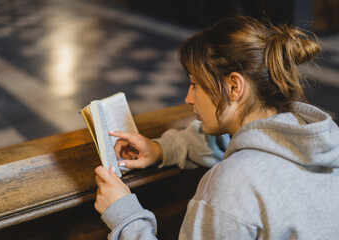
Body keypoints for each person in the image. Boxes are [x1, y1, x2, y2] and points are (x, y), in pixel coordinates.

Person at [94, 15, 339, 239]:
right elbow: (237, 141)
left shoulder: (232, 184)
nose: (189, 98)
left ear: (234, 86)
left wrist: (125, 217)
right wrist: (161, 150)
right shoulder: (319, 142)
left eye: (195, 84)